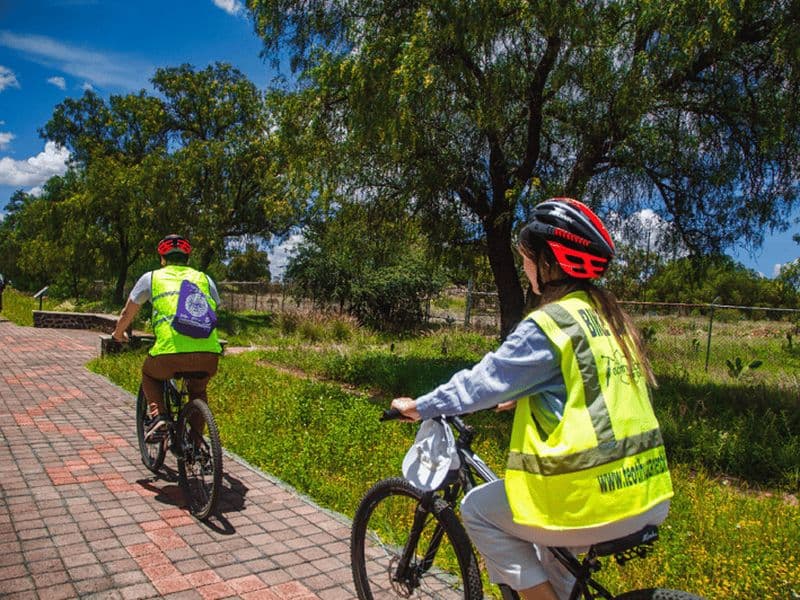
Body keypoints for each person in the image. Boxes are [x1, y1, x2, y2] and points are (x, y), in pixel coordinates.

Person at [391, 198, 674, 600]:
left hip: (590, 497)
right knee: (551, 554)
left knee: (476, 509)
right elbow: (590, 393)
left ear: (549, 261)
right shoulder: (610, 319)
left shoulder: (551, 322)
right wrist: (525, 397)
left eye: (527, 257)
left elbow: (481, 382)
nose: (523, 266)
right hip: (644, 491)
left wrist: (419, 406)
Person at [112, 234, 222, 441]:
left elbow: (127, 313)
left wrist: (118, 334)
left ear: (162, 258)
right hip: (209, 354)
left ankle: (158, 416)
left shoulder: (151, 278)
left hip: (169, 354)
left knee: (149, 374)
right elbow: (216, 307)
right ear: (187, 258)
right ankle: (197, 443)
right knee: (197, 391)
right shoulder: (205, 279)